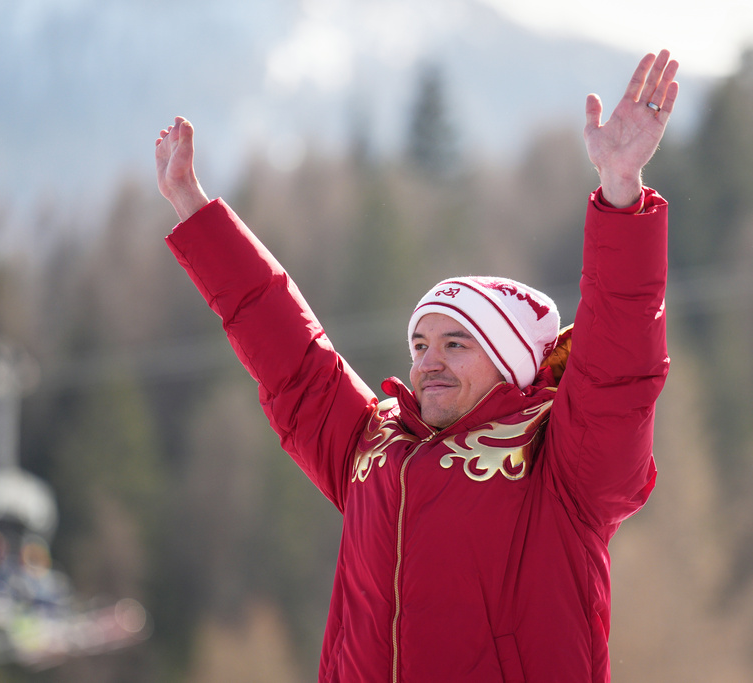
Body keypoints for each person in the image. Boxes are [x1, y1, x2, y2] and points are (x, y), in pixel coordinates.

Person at [156, 50, 678, 683]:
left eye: (457, 343)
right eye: (421, 344)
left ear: (510, 363)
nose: (429, 361)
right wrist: (194, 207)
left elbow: (617, 376)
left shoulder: (563, 465)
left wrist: (620, 191)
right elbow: (290, 358)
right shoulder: (371, 446)